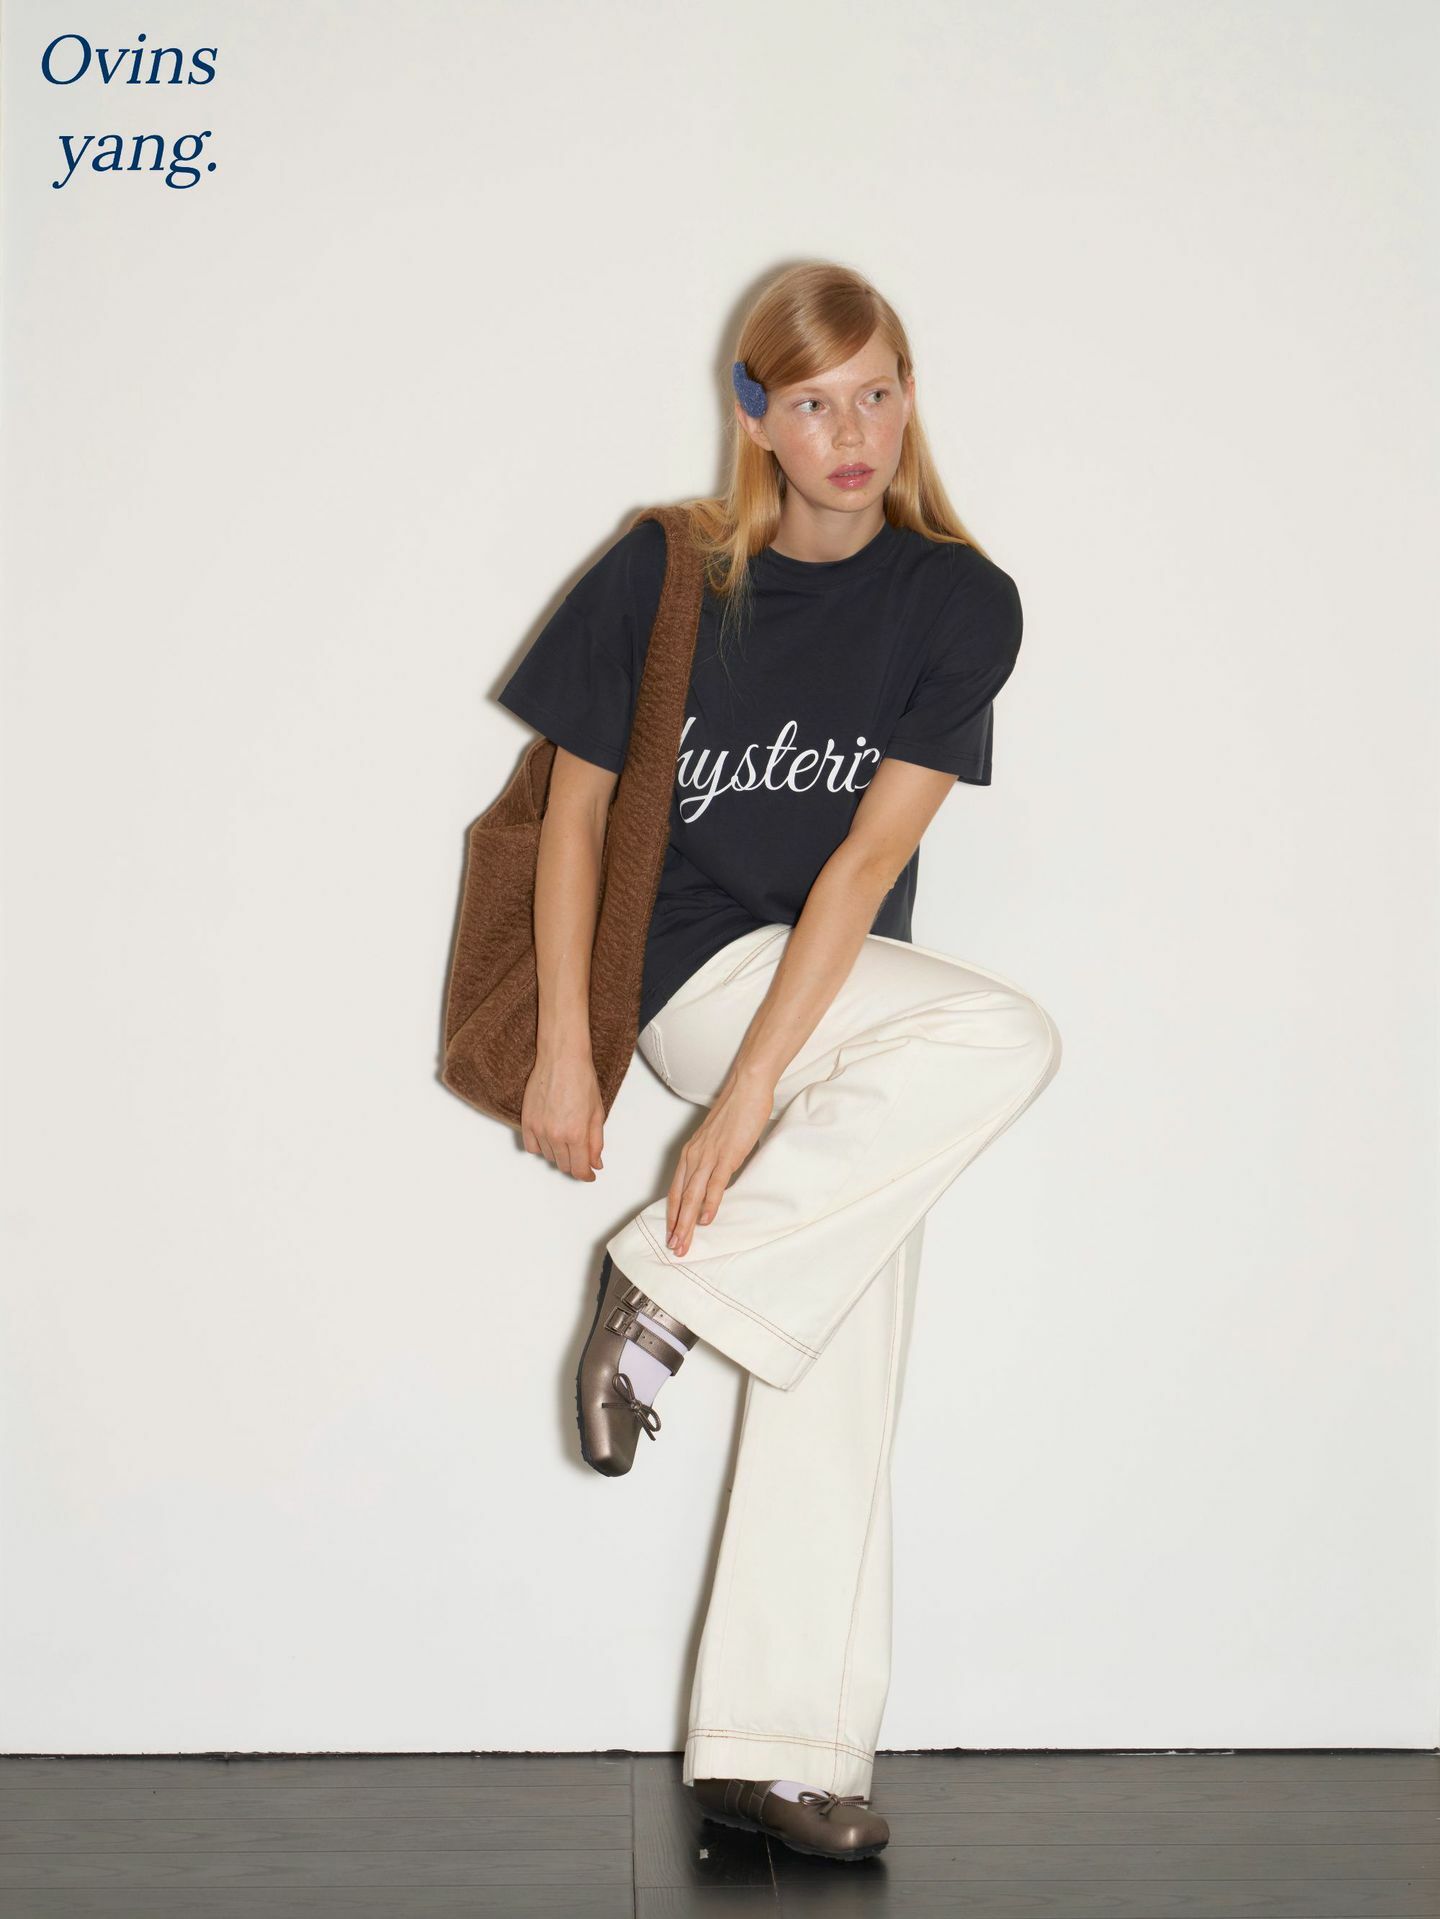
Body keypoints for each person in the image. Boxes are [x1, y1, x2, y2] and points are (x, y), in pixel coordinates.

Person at [493, 261, 1062, 1865]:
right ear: (755, 414)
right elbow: (572, 820)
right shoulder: (669, 571)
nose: (852, 431)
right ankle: (665, 1286)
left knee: (846, 1322)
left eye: (878, 392)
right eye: (814, 402)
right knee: (1001, 1030)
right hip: (688, 975)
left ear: (909, 398)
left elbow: (864, 867)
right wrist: (568, 1048)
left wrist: (760, 1100)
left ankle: (776, 1750)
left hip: (826, 1003)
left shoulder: (961, 602)